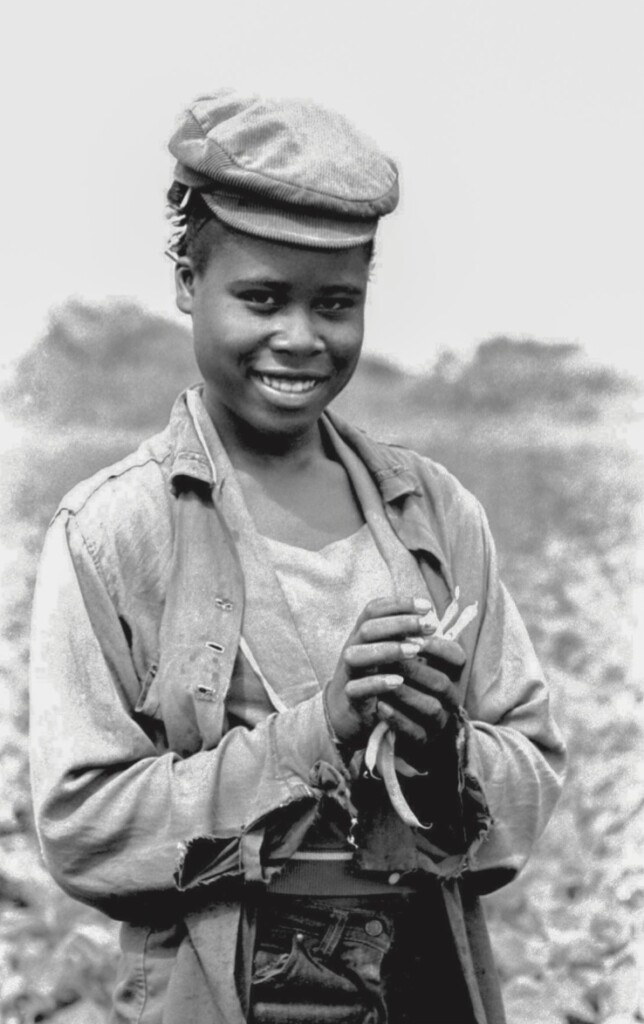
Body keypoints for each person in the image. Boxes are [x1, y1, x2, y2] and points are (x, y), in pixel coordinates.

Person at [29, 89, 566, 1024]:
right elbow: (85, 830)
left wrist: (440, 753)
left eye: (337, 305)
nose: (301, 339)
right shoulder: (115, 531)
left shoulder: (436, 517)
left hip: (423, 987)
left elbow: (528, 774)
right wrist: (318, 733)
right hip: (217, 993)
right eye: (262, 298)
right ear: (189, 283)